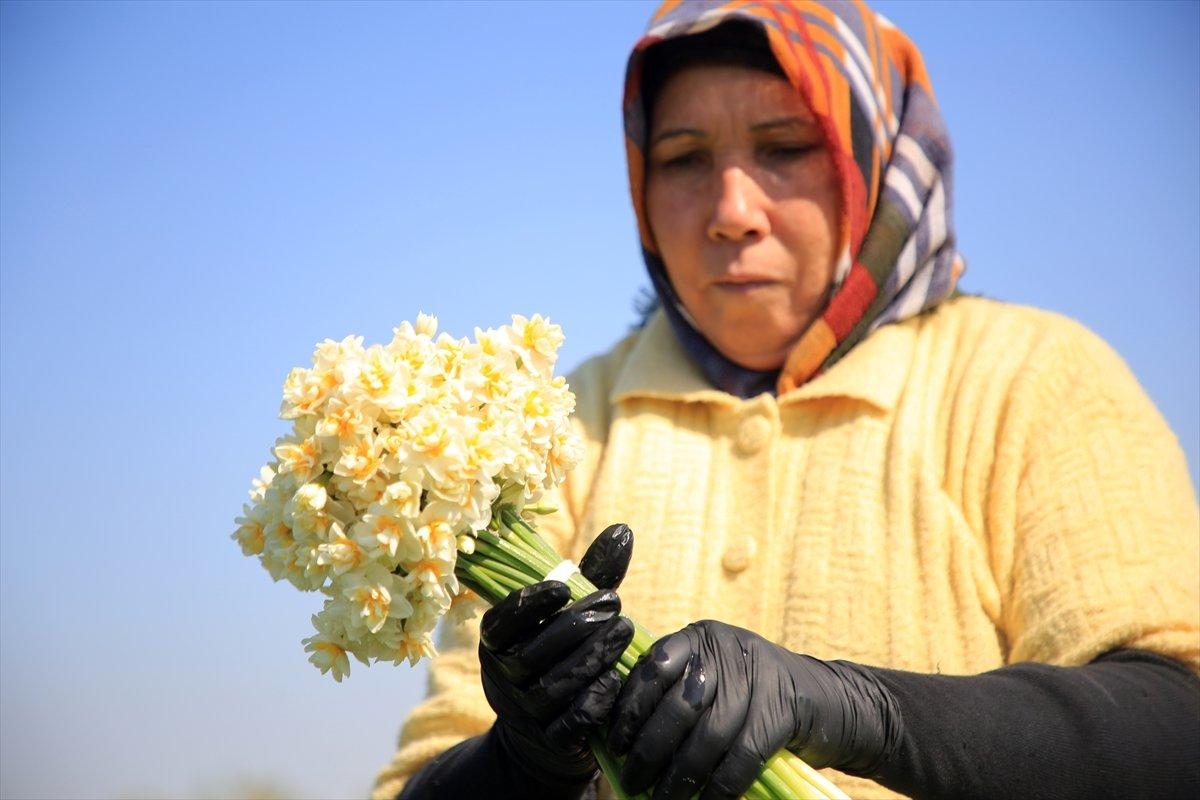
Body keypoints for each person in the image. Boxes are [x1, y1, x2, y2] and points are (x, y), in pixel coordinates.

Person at [373, 3, 1200, 799]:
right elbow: (429, 776)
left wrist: (860, 712)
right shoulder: (556, 426)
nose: (732, 212)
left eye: (785, 146)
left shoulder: (1031, 379)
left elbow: (1175, 724)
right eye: (684, 158)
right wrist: (522, 762)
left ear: (873, 162)